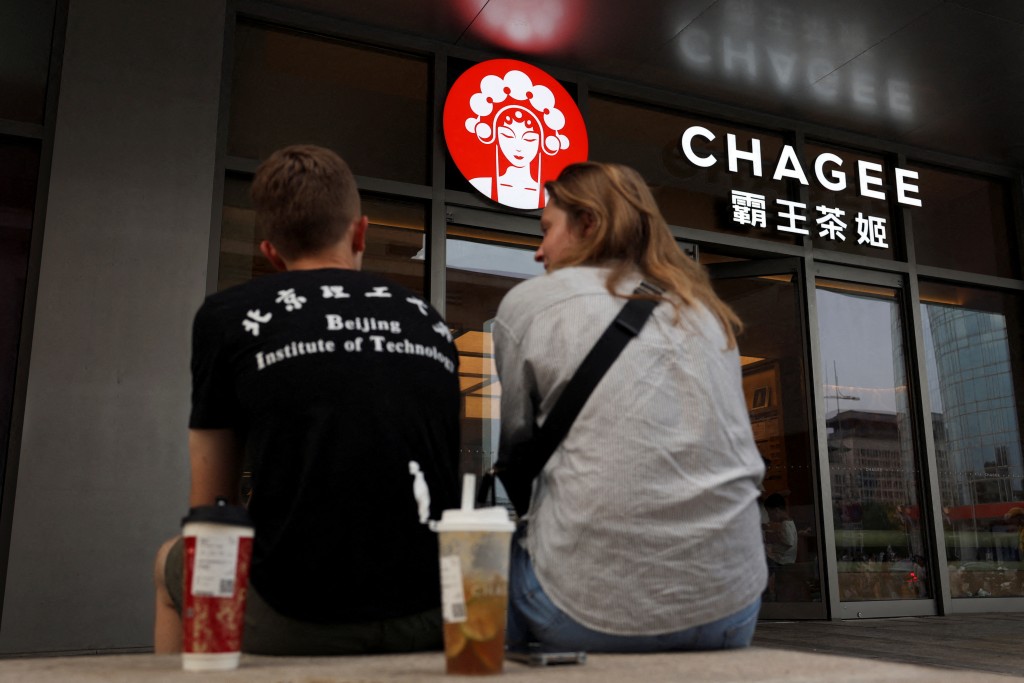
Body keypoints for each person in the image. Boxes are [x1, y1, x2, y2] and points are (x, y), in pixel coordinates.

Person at [153, 144, 460, 655]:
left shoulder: (228, 315)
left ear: (271, 253)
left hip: (298, 615)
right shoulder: (425, 317)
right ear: (361, 232)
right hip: (437, 609)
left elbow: (212, 509)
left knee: (170, 561)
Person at [494, 161, 766, 653]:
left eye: (546, 229)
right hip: (733, 603)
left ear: (589, 224)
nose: (539, 251)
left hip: (584, 610)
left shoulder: (531, 302)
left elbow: (517, 448)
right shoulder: (705, 312)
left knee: (486, 557)